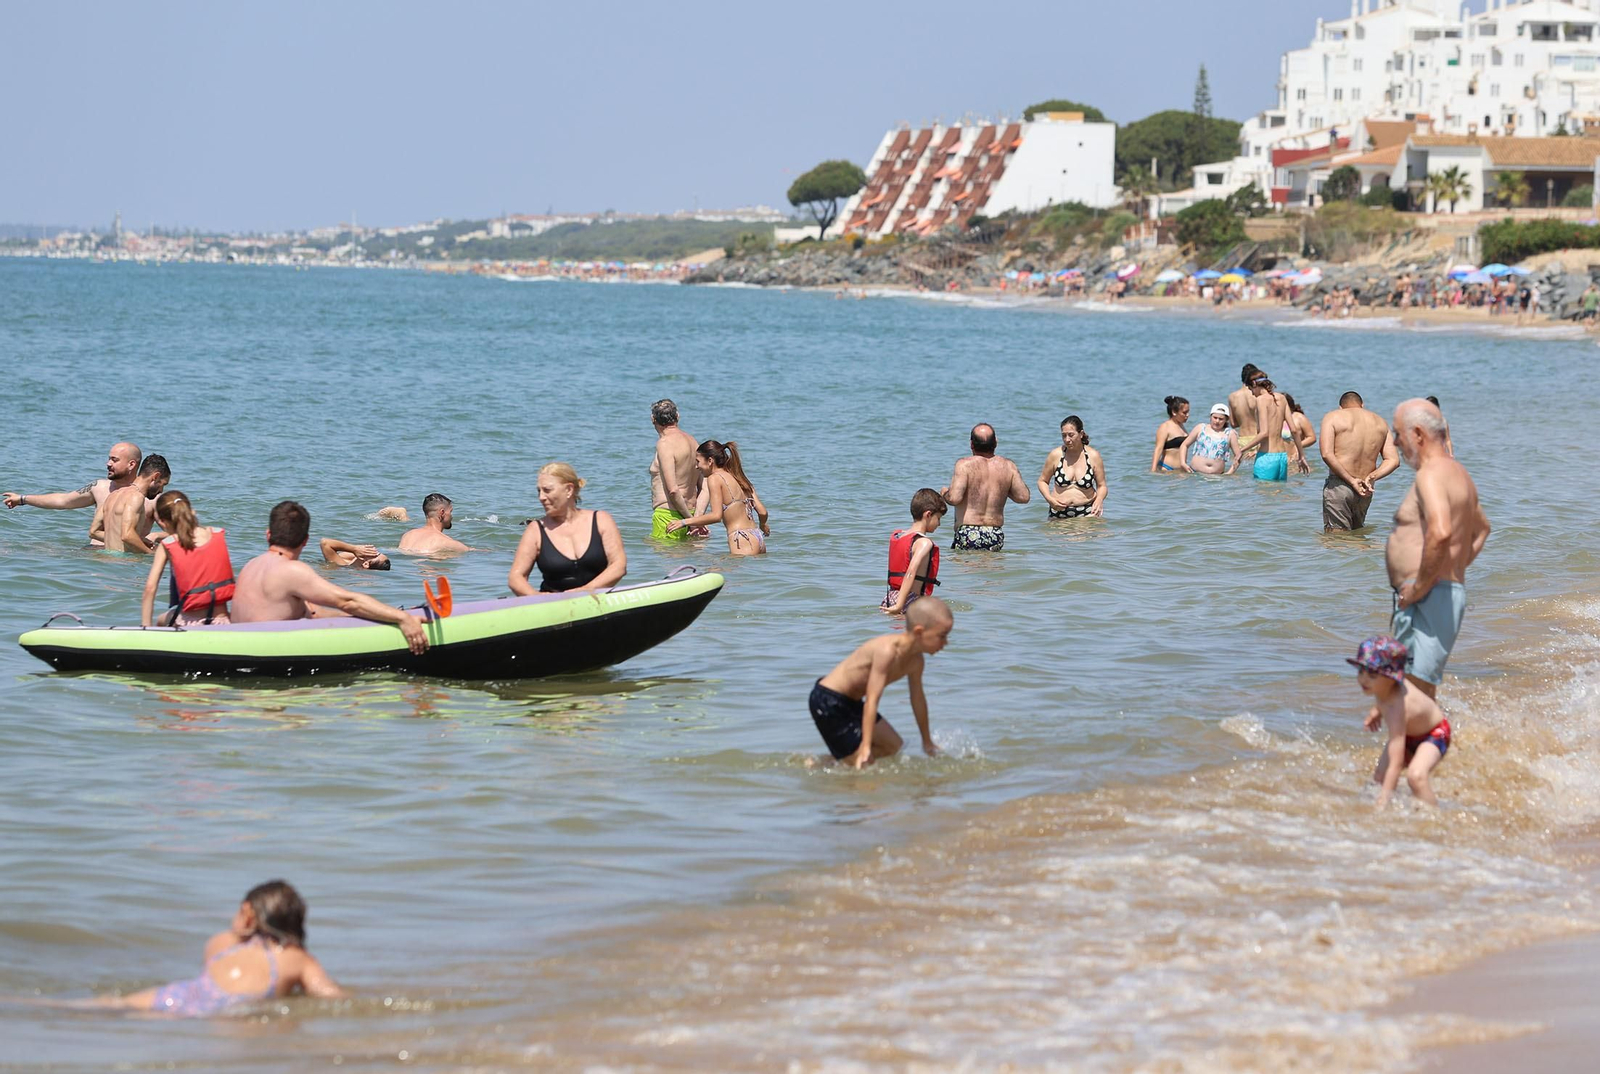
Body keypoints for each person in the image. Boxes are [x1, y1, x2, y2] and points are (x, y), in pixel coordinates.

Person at [109, 880, 343, 1016]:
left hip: (177, 996)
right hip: (234, 1012)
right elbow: (332, 997)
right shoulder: (297, 959)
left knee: (113, 1005)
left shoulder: (221, 942)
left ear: (248, 915)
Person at [1386, 399, 1490, 699]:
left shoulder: (1430, 474)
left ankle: (1432, 742)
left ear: (1418, 434)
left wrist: (1420, 587)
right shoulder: (1459, 473)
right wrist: (1455, 568)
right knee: (1416, 693)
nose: (1395, 442)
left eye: (1397, 434)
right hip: (1440, 593)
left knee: (1410, 696)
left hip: (1428, 597)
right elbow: (1482, 528)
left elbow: (1441, 533)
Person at [231, 501, 429, 653]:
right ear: (305, 541)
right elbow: (348, 601)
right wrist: (402, 618)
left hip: (237, 647)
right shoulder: (291, 570)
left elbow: (314, 611)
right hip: (267, 654)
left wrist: (387, 614)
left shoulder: (251, 565)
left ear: (268, 535)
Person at [808, 596, 951, 769]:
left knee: (893, 747)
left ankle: (830, 761)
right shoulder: (887, 652)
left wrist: (927, 741)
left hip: (852, 701)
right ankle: (826, 764)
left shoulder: (916, 661)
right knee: (860, 763)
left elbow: (917, 699)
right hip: (827, 699)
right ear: (920, 632)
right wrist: (866, 746)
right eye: (942, 636)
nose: (945, 643)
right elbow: (872, 700)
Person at [1348, 635, 1449, 808]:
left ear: (1390, 678)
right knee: (1379, 777)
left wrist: (1384, 799)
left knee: (1415, 777)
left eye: (1372, 675)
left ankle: (1434, 816)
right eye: (1361, 671)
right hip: (1409, 732)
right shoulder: (1383, 689)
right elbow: (1383, 700)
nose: (1363, 679)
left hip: (1434, 734)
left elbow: (1395, 763)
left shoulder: (1397, 707)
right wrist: (1376, 712)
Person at [509, 462, 627, 594]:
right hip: (553, 604)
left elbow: (618, 565)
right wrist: (537, 598)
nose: (541, 497)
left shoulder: (601, 520)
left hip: (599, 598)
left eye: (547, 490)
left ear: (569, 490)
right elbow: (516, 578)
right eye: (539, 491)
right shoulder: (535, 530)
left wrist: (585, 591)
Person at [3, 441, 143, 547]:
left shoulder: (147, 497)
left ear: (131, 464)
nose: (108, 463)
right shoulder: (99, 487)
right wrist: (22, 499)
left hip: (125, 560)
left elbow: (164, 529)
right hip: (93, 554)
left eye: (114, 460)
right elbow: (64, 501)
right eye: (109, 458)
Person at [139, 491, 235, 626]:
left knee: (161, 620)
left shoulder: (168, 544)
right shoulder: (218, 533)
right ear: (192, 512)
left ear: (162, 522)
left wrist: (145, 627)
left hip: (190, 623)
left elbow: (150, 588)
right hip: (223, 621)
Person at [665, 440, 769, 554]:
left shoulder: (714, 478)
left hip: (741, 539)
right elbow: (763, 512)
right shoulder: (740, 477)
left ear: (710, 461)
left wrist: (684, 522)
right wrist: (763, 525)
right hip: (757, 537)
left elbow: (716, 516)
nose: (696, 466)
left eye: (698, 461)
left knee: (712, 569)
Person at [1318, 391, 1400, 531]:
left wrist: (1351, 480)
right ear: (1362, 405)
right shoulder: (1380, 422)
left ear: (1341, 407)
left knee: (1338, 541)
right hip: (1365, 488)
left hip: (1340, 485)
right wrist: (1372, 476)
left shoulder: (1332, 417)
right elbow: (1393, 460)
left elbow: (1326, 454)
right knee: (1357, 536)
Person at [941, 423, 1031, 550]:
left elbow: (954, 498)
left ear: (971, 444)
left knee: (967, 569)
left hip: (968, 532)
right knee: (992, 569)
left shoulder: (964, 465)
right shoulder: (1008, 466)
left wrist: (945, 493)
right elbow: (1023, 497)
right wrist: (1005, 488)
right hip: (994, 533)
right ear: (996, 442)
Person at [649, 399, 705, 541]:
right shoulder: (693, 442)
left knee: (666, 561)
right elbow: (704, 487)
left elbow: (673, 490)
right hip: (692, 514)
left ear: (652, 419)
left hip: (669, 518)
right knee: (689, 561)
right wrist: (696, 519)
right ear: (677, 416)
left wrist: (689, 522)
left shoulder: (665, 444)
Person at [883, 488, 946, 614]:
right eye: (938, 518)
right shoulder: (924, 543)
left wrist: (896, 604)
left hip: (890, 597)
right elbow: (910, 572)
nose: (939, 524)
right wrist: (900, 605)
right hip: (909, 601)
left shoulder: (899, 536)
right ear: (928, 515)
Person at [1039, 416, 1108, 518]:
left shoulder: (1093, 456)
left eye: (1071, 435)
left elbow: (1102, 486)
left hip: (1087, 512)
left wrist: (1099, 500)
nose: (1067, 439)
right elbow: (1042, 481)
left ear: (1081, 434)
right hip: (1058, 512)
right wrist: (1049, 499)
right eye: (1064, 435)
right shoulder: (1056, 455)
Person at [102, 455, 171, 553]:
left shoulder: (114, 495)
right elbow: (127, 535)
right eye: (162, 484)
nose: (161, 490)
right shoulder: (136, 497)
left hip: (107, 558)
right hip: (123, 562)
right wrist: (151, 554)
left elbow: (94, 531)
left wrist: (140, 540)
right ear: (156, 477)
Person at [1244, 375, 1306, 481]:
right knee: (1279, 495)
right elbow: (1294, 430)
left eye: (1251, 389)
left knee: (1264, 494)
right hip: (1282, 457)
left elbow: (1264, 433)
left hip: (1267, 457)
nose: (1252, 394)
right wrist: (1301, 456)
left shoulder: (1261, 400)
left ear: (1254, 384)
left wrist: (1242, 450)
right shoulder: (1282, 398)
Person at [1178, 404, 1243, 475]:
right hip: (1195, 474)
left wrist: (1229, 473)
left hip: (1217, 477)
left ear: (1226, 420)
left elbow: (1238, 455)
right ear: (1210, 417)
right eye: (1215, 417)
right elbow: (1184, 445)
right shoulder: (1200, 428)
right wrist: (1183, 463)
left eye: (1221, 419)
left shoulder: (1230, 433)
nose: (1217, 421)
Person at [398, 494, 470, 554]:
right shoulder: (446, 542)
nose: (451, 516)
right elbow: (470, 552)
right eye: (450, 512)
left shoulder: (407, 535)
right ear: (442, 513)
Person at [1226, 364, 1262, 461]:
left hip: (1241, 440)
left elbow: (1233, 424)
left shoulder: (1232, 397)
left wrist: (1243, 419)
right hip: (1257, 438)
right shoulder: (1258, 395)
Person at [1150, 396, 1190, 473]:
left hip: (1180, 470)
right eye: (1184, 412)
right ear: (1174, 412)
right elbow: (1158, 449)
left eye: (1188, 412)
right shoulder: (1165, 427)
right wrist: (1153, 470)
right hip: (1166, 468)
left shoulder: (1181, 426)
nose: (1187, 415)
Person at [319, 538, 391, 570]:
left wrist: (354, 549)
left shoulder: (341, 565)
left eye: (375, 554)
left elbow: (325, 543)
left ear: (366, 564)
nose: (374, 550)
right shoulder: (351, 561)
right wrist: (356, 551)